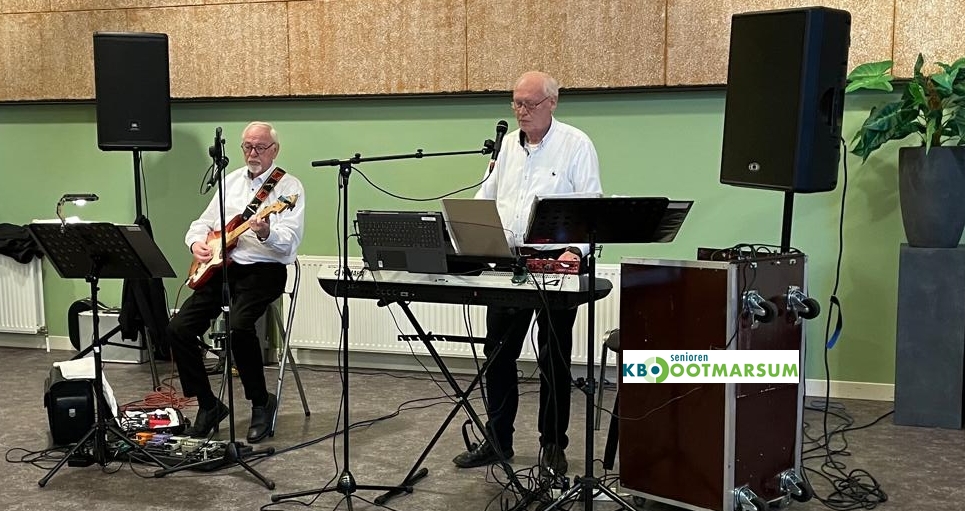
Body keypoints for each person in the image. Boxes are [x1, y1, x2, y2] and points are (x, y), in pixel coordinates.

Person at [453, 71, 602, 475]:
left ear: (552, 103)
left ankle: (552, 444)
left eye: (530, 103)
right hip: (509, 260)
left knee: (554, 357)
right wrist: (468, 235)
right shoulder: (506, 147)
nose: (521, 111)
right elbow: (485, 198)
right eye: (516, 103)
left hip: (557, 261)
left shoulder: (576, 144)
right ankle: (498, 440)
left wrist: (576, 251)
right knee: (498, 354)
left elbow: (591, 205)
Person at [168, 121, 305, 444]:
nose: (252, 153)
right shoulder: (229, 181)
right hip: (223, 268)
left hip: (264, 271)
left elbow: (290, 241)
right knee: (178, 329)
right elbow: (202, 223)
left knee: (239, 328)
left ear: (274, 150)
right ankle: (208, 404)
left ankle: (260, 402)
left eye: (260, 147)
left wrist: (266, 232)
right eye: (247, 146)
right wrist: (196, 243)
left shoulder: (288, 188)